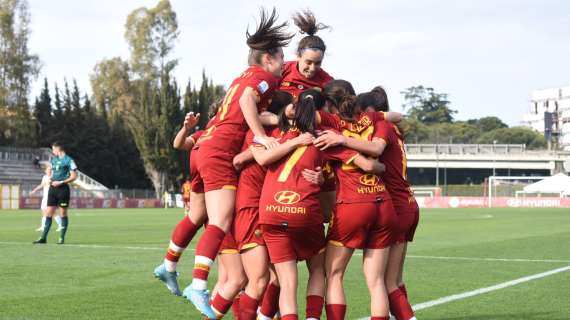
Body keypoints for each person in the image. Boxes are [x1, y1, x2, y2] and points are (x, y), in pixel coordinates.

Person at [184, 8, 294, 319]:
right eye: (281, 58)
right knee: (251, 279)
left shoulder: (243, 97)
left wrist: (273, 123)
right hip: (243, 211)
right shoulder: (257, 88)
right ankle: (195, 283)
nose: (284, 64)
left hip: (237, 204)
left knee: (239, 279)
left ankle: (190, 281)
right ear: (267, 59)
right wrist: (264, 137)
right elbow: (242, 154)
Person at [253, 89, 385, 320]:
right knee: (318, 269)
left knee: (287, 282)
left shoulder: (275, 135)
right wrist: (381, 167)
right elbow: (367, 165)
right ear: (320, 110)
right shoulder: (323, 137)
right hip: (303, 211)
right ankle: (313, 317)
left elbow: (259, 156)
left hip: (270, 212)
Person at [369, 86, 419, 320]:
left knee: (387, 282)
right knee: (395, 280)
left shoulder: (382, 128)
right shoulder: (395, 129)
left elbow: (373, 153)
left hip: (397, 207)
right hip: (408, 203)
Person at [279, 10, 333, 99]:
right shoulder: (283, 69)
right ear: (298, 56)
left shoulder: (327, 81)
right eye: (308, 62)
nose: (312, 68)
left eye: (317, 63)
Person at [33, 142, 77, 245]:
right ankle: (43, 238)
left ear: (58, 149)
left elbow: (74, 176)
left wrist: (61, 182)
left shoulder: (69, 160)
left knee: (63, 213)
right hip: (52, 189)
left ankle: (61, 238)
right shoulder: (53, 160)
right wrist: (51, 179)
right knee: (48, 213)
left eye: (53, 149)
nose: (52, 151)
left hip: (63, 189)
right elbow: (54, 173)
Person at [30, 165, 63, 232]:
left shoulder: (54, 177)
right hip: (45, 197)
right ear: (45, 171)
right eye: (48, 170)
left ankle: (61, 225)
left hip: (51, 196)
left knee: (52, 212)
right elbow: (42, 185)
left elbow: (57, 186)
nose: (49, 171)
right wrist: (34, 190)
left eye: (50, 170)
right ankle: (43, 226)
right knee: (43, 211)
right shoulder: (44, 177)